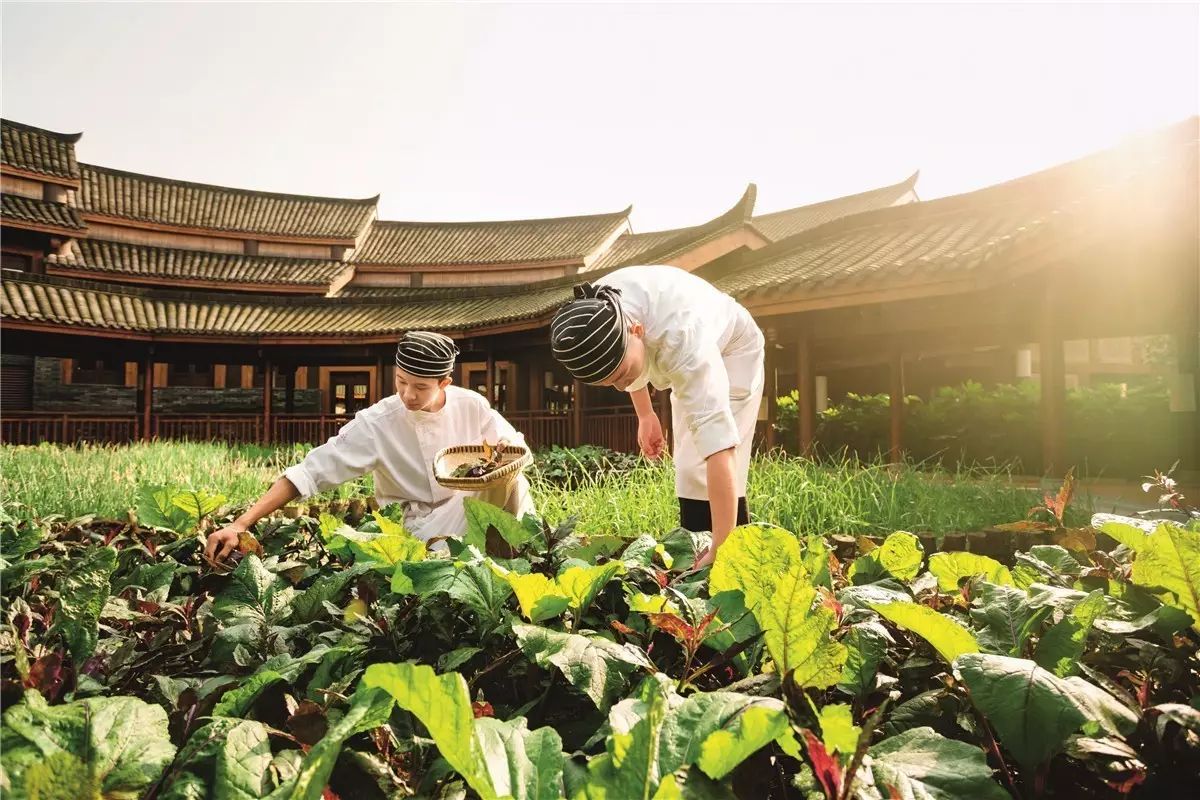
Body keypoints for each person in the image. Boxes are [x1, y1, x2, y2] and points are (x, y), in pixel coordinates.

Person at [205, 331, 535, 562]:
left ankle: (513, 556)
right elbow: (310, 472)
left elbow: (514, 449)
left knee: (512, 480)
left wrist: (499, 454)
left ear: (444, 383)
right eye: (401, 382)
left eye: (420, 387)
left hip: (466, 504)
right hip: (419, 525)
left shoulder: (470, 404)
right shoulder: (378, 422)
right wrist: (240, 524)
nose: (408, 395)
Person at [550, 265, 764, 568]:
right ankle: (694, 553)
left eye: (622, 375)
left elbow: (720, 447)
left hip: (734, 347)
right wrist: (646, 414)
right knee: (688, 468)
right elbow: (627, 365)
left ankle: (730, 558)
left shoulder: (683, 338)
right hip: (667, 344)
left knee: (707, 460)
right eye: (609, 383)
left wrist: (721, 548)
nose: (620, 386)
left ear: (636, 330)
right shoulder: (592, 313)